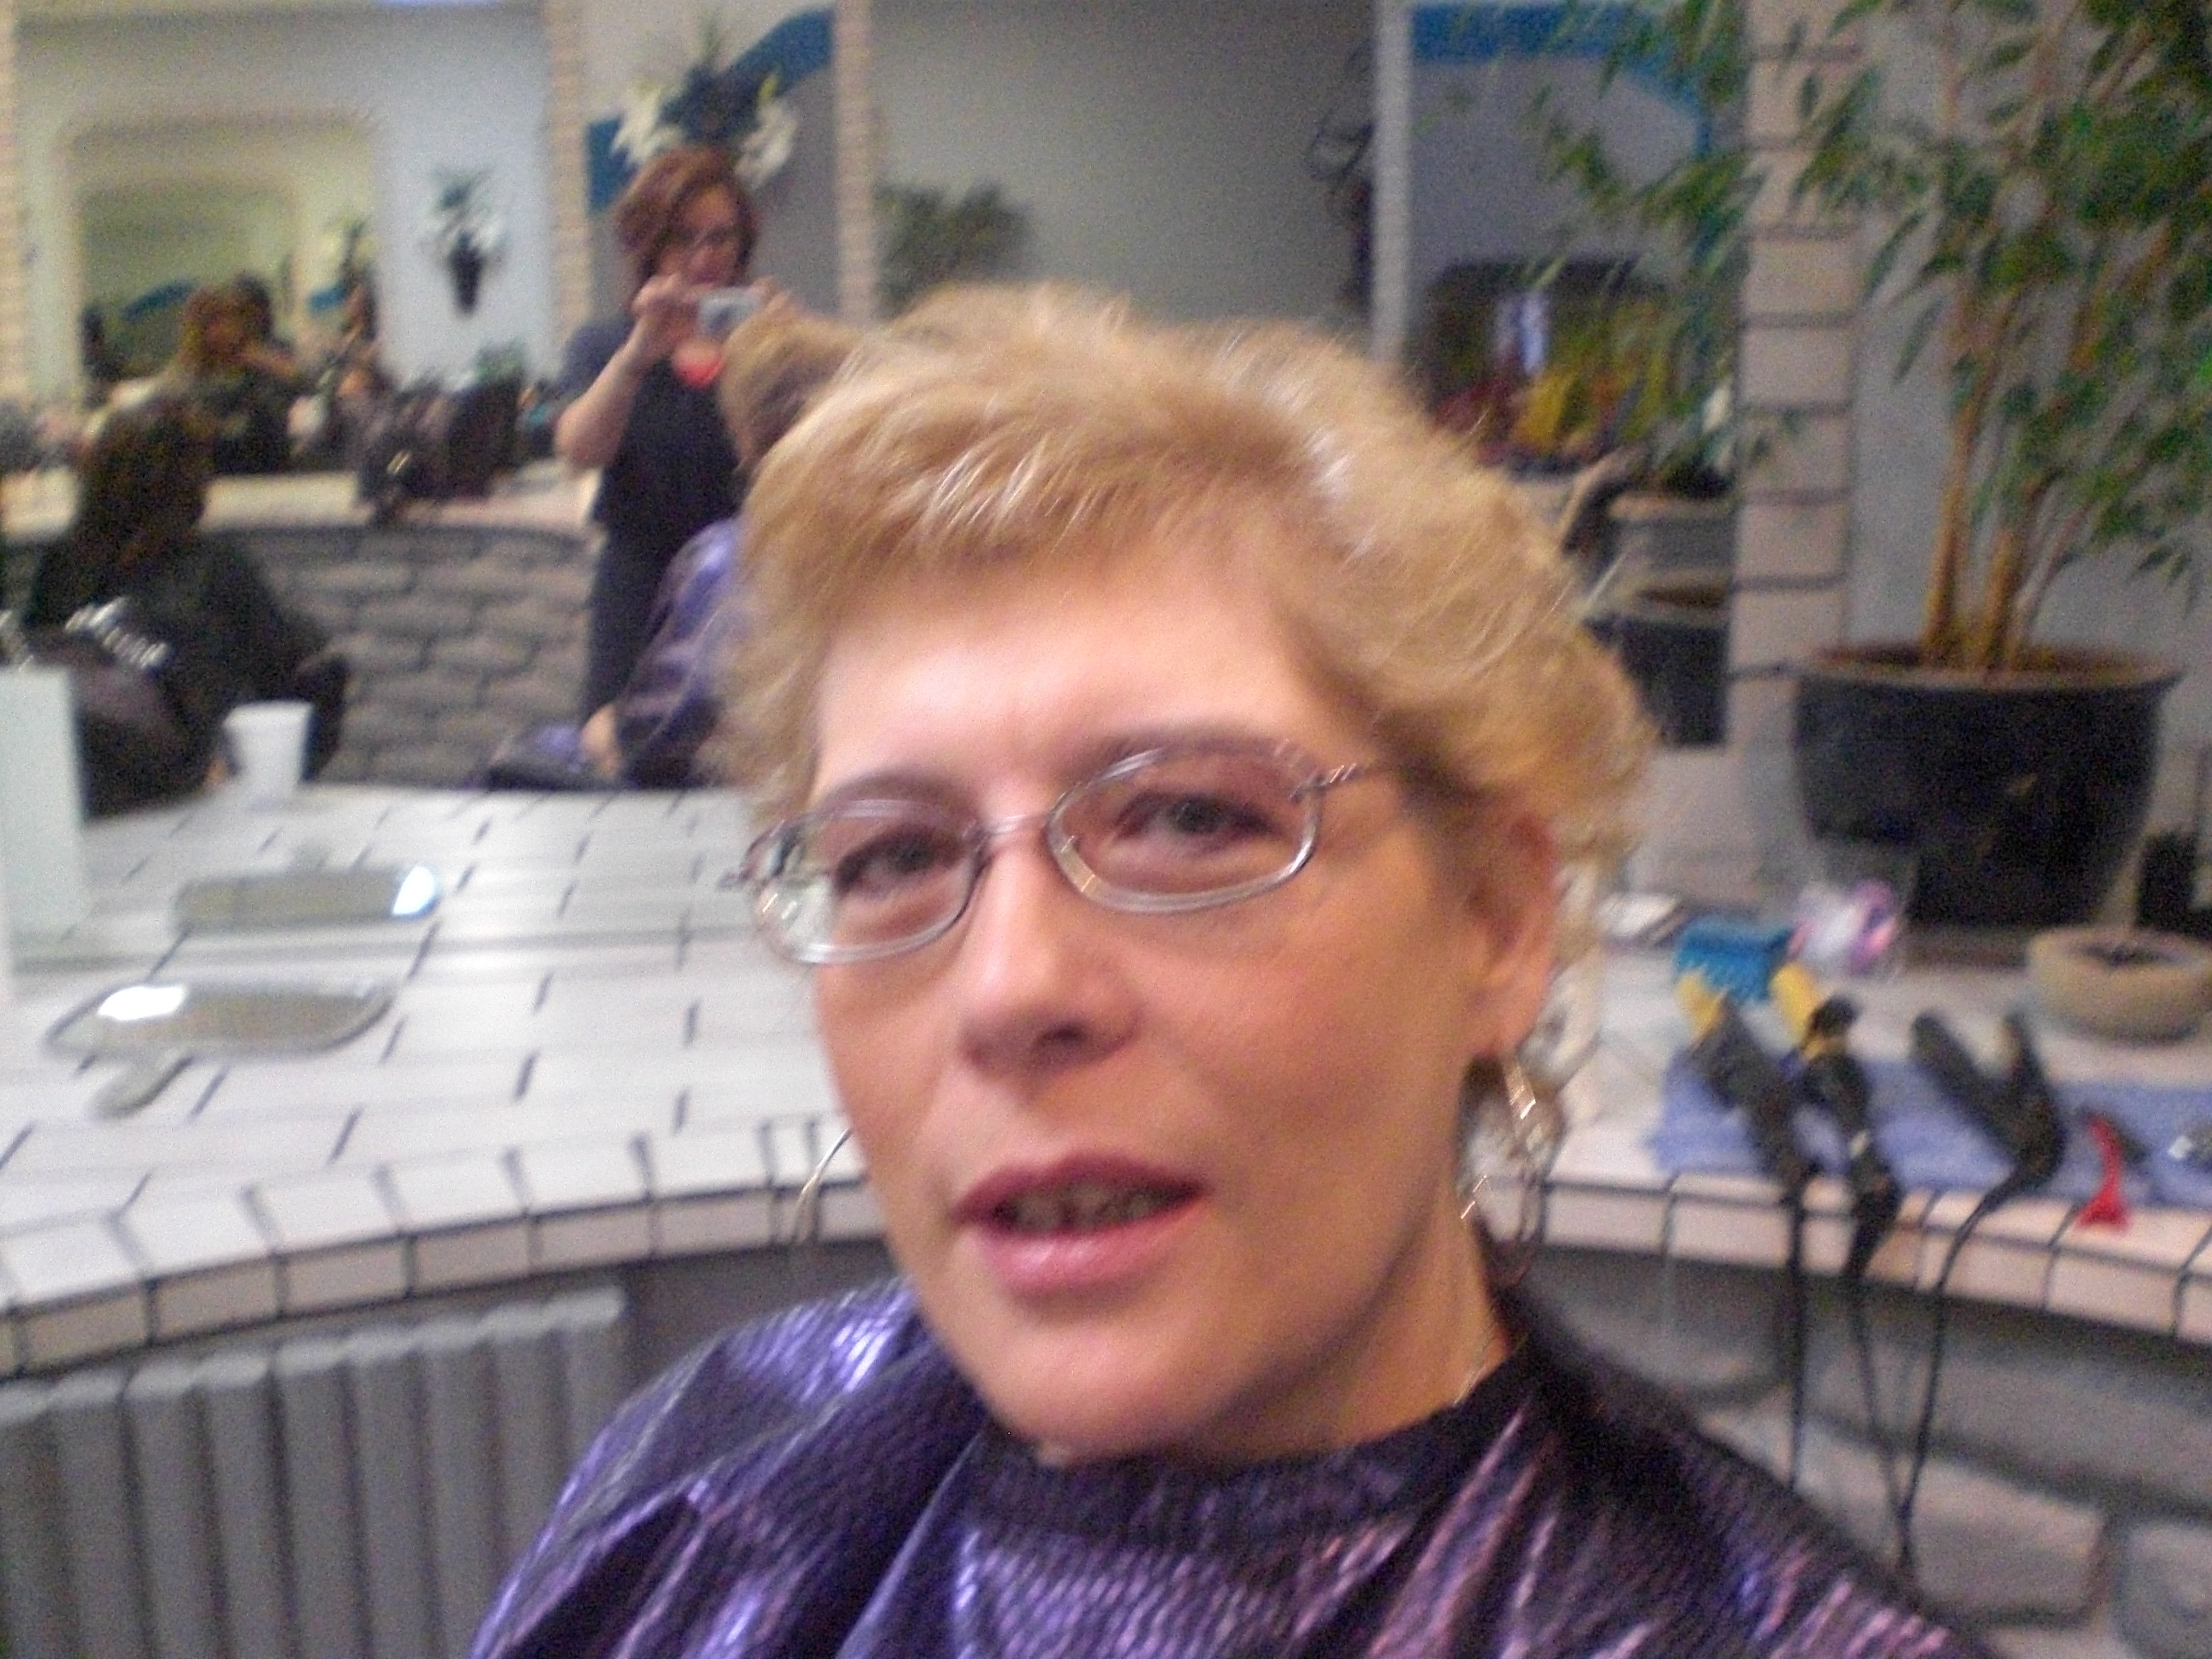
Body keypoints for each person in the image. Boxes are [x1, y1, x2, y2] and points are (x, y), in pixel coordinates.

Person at [471, 289, 1984, 1658]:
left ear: (1497, 921)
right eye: (893, 856)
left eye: (1190, 821)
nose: (1009, 990)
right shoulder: (690, 1519)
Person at [481, 303, 857, 791]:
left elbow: (655, 738)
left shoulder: (724, 563)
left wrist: (606, 732)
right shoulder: (869, 547)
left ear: (742, 433)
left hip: (709, 798)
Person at [25, 399, 346, 811]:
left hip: (83, 787)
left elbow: (35, 679)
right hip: (189, 779)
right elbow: (279, 677)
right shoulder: (215, 568)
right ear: (189, 483)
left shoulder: (64, 565)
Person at [554, 144, 760, 717]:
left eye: (720, 237)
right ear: (649, 245)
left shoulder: (765, 342)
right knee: (615, 738)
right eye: (683, 238)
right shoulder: (605, 344)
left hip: (746, 584)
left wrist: (781, 352)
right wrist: (637, 356)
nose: (704, 258)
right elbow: (579, 450)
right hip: (639, 589)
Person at [162, 284, 295, 475]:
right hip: (211, 468)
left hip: (265, 465)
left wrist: (273, 365)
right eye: (214, 323)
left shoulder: (262, 360)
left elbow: (301, 387)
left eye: (232, 321)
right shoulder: (185, 371)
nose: (225, 330)